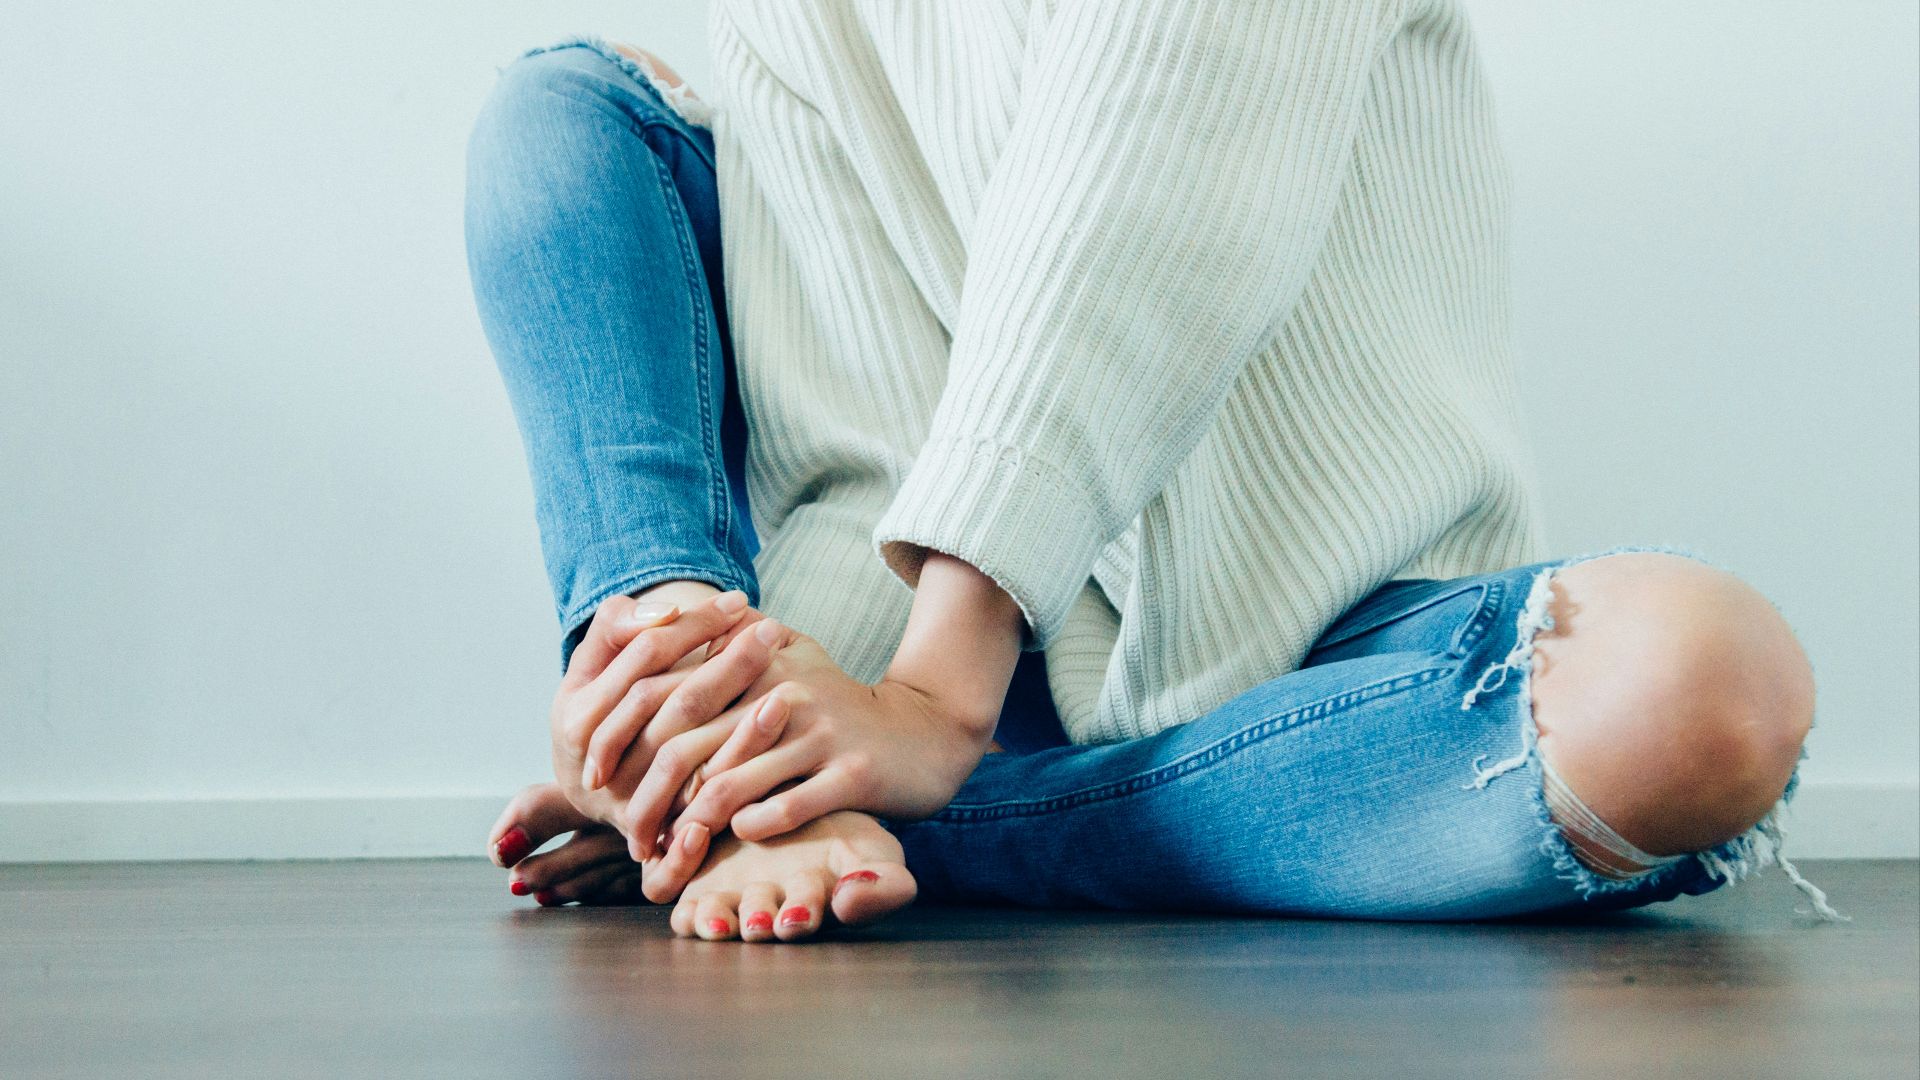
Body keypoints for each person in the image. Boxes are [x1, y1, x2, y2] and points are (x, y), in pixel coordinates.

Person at [463, 1, 1837, 943]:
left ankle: (907, 826)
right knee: (567, 117)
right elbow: (857, 422)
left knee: (1705, 687)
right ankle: (674, 726)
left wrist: (931, 708)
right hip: (956, 652)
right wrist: (770, 720)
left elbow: (1144, 187)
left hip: (1320, 647)